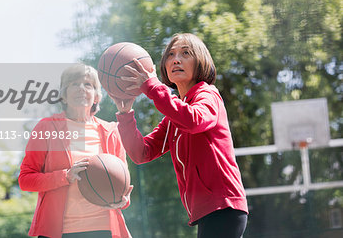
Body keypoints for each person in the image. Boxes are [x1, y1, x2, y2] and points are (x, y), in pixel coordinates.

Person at [113, 33, 248, 238]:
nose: (176, 59)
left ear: (200, 61)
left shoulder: (208, 95)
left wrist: (152, 87)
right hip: (208, 211)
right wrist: (125, 116)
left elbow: (193, 121)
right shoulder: (174, 117)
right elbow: (141, 153)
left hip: (225, 206)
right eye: (171, 55)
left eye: (186, 53)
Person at [19, 64, 132, 238]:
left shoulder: (111, 131)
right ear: (64, 94)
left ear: (96, 96)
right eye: (74, 84)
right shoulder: (46, 127)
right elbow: (25, 180)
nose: (81, 88)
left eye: (88, 85)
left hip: (103, 230)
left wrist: (123, 199)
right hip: (60, 232)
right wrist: (65, 176)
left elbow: (122, 184)